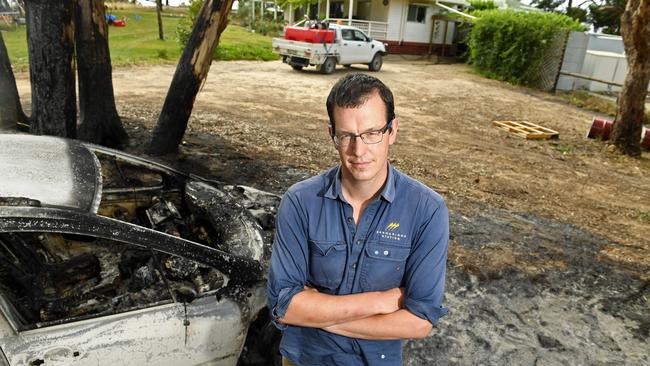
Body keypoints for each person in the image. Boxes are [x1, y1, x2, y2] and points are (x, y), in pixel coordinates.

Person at [267, 73, 449, 365]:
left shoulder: (427, 210)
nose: (358, 149)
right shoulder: (300, 202)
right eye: (347, 135)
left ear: (393, 131)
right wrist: (380, 302)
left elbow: (418, 321)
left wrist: (319, 317)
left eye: (372, 133)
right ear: (332, 135)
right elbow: (285, 306)